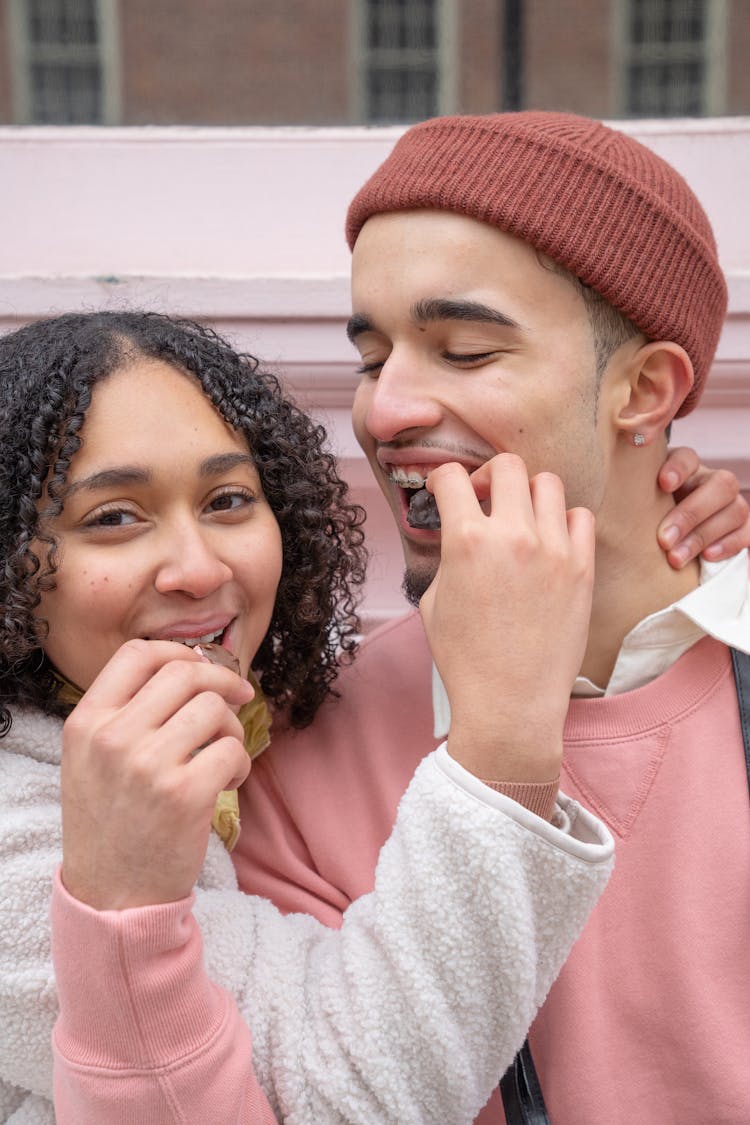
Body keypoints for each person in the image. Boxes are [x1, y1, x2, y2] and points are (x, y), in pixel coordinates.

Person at [235, 112, 750, 1124]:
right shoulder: (295, 758)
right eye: (374, 356)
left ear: (644, 391)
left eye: (464, 350)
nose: (383, 415)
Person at [0, 309, 622, 1125]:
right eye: (113, 516)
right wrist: (505, 736)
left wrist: (658, 521)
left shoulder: (260, 717)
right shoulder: (23, 844)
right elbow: (353, 1093)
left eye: (227, 499)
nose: (198, 566)